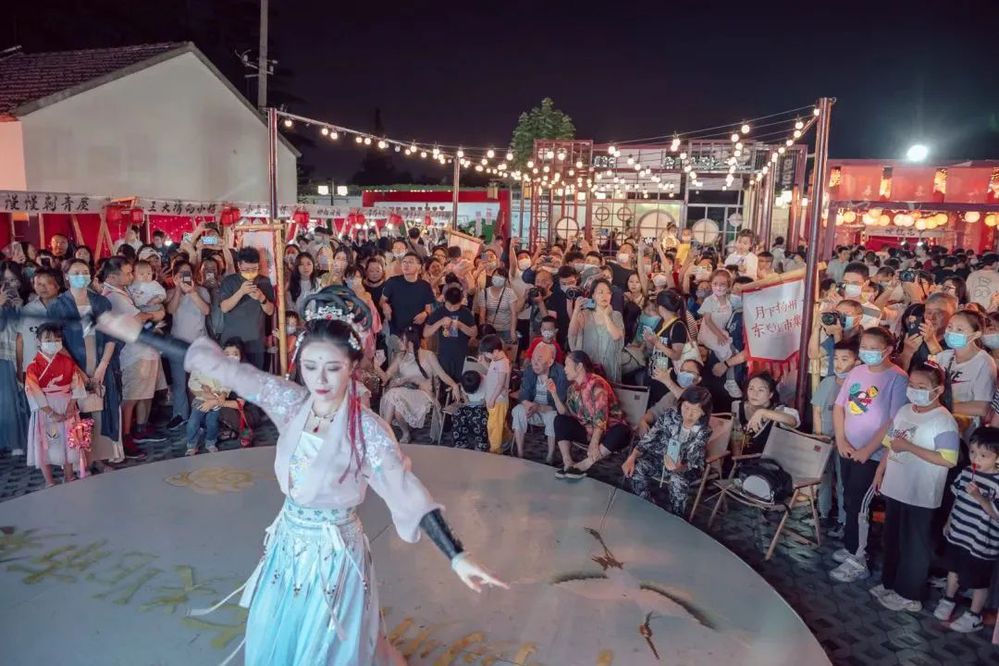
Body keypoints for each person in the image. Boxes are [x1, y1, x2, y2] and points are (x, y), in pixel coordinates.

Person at [94, 287, 506, 664]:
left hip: (335, 556)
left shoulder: (367, 431)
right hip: (287, 544)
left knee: (328, 644)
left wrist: (456, 555)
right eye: (310, 366)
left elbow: (407, 492)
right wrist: (138, 334)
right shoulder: (290, 402)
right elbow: (222, 368)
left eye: (333, 368)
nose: (320, 379)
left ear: (353, 367)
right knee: (278, 629)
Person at [869, 361, 959, 612]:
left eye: (921, 386)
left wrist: (909, 447)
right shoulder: (904, 411)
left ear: (938, 390)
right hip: (896, 486)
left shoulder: (943, 420)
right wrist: (880, 470)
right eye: (911, 384)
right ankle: (890, 583)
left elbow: (948, 459)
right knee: (893, 540)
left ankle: (910, 595)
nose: (914, 390)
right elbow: (891, 444)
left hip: (920, 493)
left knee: (915, 546)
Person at [830, 327, 909, 584]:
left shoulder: (897, 378)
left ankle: (859, 559)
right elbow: (840, 407)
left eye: (873, 348)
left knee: (860, 505)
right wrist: (841, 439)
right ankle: (852, 546)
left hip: (872, 455)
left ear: (888, 350)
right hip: (847, 448)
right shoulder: (857, 371)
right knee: (848, 499)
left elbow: (893, 421)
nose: (867, 352)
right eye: (864, 347)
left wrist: (868, 450)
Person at [47, 258, 127, 465]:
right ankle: (81, 462)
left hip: (100, 361)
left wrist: (102, 368)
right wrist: (79, 373)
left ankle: (100, 458)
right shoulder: (58, 305)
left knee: (101, 411)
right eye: (76, 273)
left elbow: (112, 336)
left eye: (84, 272)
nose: (81, 276)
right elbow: (56, 342)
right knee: (78, 413)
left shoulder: (101, 302)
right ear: (66, 277)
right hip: (72, 363)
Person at [933, 427, 999, 633]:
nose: (976, 458)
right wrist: (949, 521)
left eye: (983, 455)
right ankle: (948, 599)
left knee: (978, 579)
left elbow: (996, 514)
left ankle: (974, 615)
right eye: (972, 452)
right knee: (953, 568)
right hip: (959, 532)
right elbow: (957, 499)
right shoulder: (966, 472)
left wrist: (980, 497)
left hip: (981, 540)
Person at [622, 385, 713, 516]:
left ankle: (676, 516)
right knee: (636, 468)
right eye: (686, 407)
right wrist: (631, 458)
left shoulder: (704, 431)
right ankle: (648, 506)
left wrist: (679, 468)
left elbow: (693, 459)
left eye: (695, 410)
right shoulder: (670, 415)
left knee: (677, 480)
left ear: (703, 412)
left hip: (686, 467)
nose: (688, 414)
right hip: (661, 459)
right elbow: (649, 438)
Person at [548, 350, 631, 480]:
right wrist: (554, 394)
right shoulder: (572, 389)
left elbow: (600, 417)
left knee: (622, 431)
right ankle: (568, 463)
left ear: (579, 366)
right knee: (560, 420)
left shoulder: (597, 383)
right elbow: (565, 413)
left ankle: (584, 465)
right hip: (587, 431)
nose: (564, 369)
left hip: (607, 432)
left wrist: (594, 442)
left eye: (567, 365)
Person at [24, 323, 89, 487]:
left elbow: (77, 385)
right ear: (38, 341)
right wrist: (51, 412)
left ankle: (69, 475)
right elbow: (33, 391)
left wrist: (71, 406)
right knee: (47, 440)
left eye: (57, 339)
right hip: (45, 409)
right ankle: (49, 480)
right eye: (48, 340)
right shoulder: (33, 366)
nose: (53, 343)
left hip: (67, 405)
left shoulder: (67, 362)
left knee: (68, 440)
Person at [812, 340, 860, 537]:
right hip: (824, 439)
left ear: (857, 362)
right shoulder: (827, 382)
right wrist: (819, 436)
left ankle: (843, 520)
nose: (839, 364)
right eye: (836, 359)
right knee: (823, 477)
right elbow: (816, 411)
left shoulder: (858, 386)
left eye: (844, 359)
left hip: (846, 442)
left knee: (843, 482)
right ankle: (823, 514)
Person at [380, 326, 460, 443]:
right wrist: (376, 366)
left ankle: (384, 434)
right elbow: (385, 377)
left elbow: (442, 375)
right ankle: (405, 433)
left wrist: (454, 385)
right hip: (405, 393)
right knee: (397, 409)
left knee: (393, 393)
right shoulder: (400, 357)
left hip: (424, 394)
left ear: (410, 342)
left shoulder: (428, 355)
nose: (398, 342)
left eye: (402, 339)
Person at [165, 260, 211, 429]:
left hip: (199, 344)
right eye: (181, 274)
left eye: (188, 273)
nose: (186, 276)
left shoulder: (202, 291)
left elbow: (206, 310)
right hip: (177, 344)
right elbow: (170, 310)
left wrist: (192, 292)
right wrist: (178, 289)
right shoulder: (170, 293)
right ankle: (180, 415)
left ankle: (200, 416)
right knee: (179, 383)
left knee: (198, 383)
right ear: (175, 276)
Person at [184, 339, 245, 456]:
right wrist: (202, 389)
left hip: (218, 403)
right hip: (201, 400)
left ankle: (211, 442)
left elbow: (226, 385)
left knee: (212, 423)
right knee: (193, 422)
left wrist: (222, 395)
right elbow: (192, 382)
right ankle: (191, 445)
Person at [219, 247, 276, 370]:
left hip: (255, 343)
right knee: (232, 378)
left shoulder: (264, 282)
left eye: (254, 269)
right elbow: (224, 308)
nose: (250, 272)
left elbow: (270, 310)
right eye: (246, 269)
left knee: (254, 377)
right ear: (239, 265)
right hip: (232, 344)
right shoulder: (229, 281)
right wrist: (241, 292)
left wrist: (262, 298)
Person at [511, 343, 568, 462]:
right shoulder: (529, 370)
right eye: (533, 359)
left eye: (540, 359)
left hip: (549, 410)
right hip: (533, 409)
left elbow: (559, 405)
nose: (535, 363)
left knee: (553, 417)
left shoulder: (560, 373)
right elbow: (523, 395)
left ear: (550, 362)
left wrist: (539, 407)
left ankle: (550, 455)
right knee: (518, 411)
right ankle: (520, 453)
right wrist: (529, 405)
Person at [568, 278, 625, 382]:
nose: (605, 296)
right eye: (600, 292)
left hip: (610, 367)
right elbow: (572, 334)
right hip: (590, 368)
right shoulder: (585, 314)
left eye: (608, 293)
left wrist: (606, 315)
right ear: (593, 295)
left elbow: (616, 336)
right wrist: (576, 311)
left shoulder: (616, 315)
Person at [730, 372, 801, 455]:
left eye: (761, 390)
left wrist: (763, 412)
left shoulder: (777, 409)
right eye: (751, 389)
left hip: (767, 460)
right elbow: (735, 436)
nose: (754, 394)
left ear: (770, 394)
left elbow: (793, 421)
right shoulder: (737, 406)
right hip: (742, 459)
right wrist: (737, 458)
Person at [380, 252, 435, 355]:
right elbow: (382, 301)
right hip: (397, 333)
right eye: (404, 262)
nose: (406, 264)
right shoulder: (393, 282)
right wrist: (385, 305)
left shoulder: (425, 286)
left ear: (419, 266)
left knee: (417, 361)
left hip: (417, 334)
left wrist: (425, 314)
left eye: (410, 262)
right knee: (396, 362)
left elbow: (429, 308)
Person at [643, 289, 691, 405]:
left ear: (661, 307)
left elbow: (676, 355)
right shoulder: (662, 322)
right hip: (657, 370)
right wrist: (649, 340)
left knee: (664, 405)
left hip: (669, 376)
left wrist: (657, 343)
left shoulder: (678, 326)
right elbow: (654, 346)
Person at [0, 266, 29, 456]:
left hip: (21, 353)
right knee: (7, 400)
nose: (10, 285)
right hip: (3, 355)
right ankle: (11, 440)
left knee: (20, 397)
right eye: (6, 281)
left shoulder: (27, 300)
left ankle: (20, 439)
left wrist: (20, 307)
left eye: (13, 280)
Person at [423, 281, 477, 383]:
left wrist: (461, 325)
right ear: (445, 300)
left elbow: (474, 333)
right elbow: (426, 333)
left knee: (460, 382)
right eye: (449, 306)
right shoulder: (439, 312)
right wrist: (440, 322)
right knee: (445, 382)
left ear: (461, 301)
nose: (452, 309)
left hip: (461, 355)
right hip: (444, 355)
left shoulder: (465, 312)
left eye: (455, 306)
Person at [15, 267, 60, 378]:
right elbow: (20, 340)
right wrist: (20, 367)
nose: (43, 287)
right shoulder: (27, 310)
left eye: (48, 283)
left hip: (60, 369)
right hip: (31, 369)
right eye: (39, 284)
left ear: (58, 285)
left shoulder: (67, 308)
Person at [899, 292, 958, 371]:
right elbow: (899, 372)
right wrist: (907, 352)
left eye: (939, 313)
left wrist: (931, 342)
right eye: (928, 312)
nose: (931, 317)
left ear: (954, 315)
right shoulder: (916, 334)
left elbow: (948, 373)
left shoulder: (958, 342)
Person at [478, 334, 511, 454]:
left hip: (498, 400)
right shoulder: (496, 359)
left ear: (495, 351)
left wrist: (492, 399)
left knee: (493, 426)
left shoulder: (503, 363)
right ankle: (507, 439)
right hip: (492, 398)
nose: (486, 356)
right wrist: (484, 363)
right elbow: (493, 373)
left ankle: (495, 450)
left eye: (486, 353)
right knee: (498, 423)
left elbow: (500, 384)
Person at [475, 264, 517, 343]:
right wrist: (483, 330)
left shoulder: (510, 293)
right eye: (496, 275)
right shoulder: (484, 293)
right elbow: (482, 315)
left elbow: (514, 313)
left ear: (505, 280)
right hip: (490, 330)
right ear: (492, 277)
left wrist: (512, 331)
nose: (498, 278)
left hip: (506, 329)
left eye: (501, 276)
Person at [451, 370, 488, 451]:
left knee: (479, 419)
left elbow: (487, 401)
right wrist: (465, 400)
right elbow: (463, 393)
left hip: (482, 407)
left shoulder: (487, 382)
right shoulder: (465, 380)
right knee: (457, 415)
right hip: (468, 404)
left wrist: (482, 403)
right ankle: (461, 443)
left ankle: (481, 444)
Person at [128, 260, 167, 330]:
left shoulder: (154, 284)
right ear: (134, 274)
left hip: (151, 307)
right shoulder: (131, 285)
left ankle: (154, 327)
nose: (146, 276)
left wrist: (155, 300)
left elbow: (162, 294)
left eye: (149, 273)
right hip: (139, 309)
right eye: (142, 274)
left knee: (150, 323)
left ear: (152, 272)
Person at [287, 252, 321, 317]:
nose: (305, 267)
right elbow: (290, 309)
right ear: (297, 267)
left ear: (313, 265)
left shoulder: (319, 283)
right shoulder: (292, 285)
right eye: (301, 264)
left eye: (308, 264)